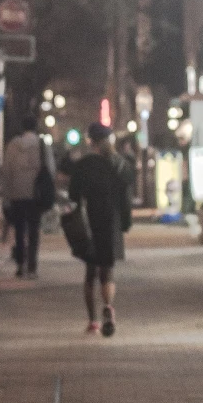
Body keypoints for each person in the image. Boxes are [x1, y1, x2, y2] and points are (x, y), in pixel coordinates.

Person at [69, 120, 133, 336]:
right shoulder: (120, 164)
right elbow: (125, 198)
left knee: (90, 274)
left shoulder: (84, 165)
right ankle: (108, 306)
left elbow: (73, 196)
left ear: (91, 141)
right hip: (111, 221)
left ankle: (92, 321)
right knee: (107, 271)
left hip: (90, 221)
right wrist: (125, 222)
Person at [0, 113, 52, 279]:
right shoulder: (42, 145)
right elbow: (50, 169)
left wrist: (6, 193)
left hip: (16, 193)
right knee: (34, 230)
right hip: (35, 195)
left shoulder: (13, 145)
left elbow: (6, 170)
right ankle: (32, 266)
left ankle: (20, 264)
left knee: (20, 229)